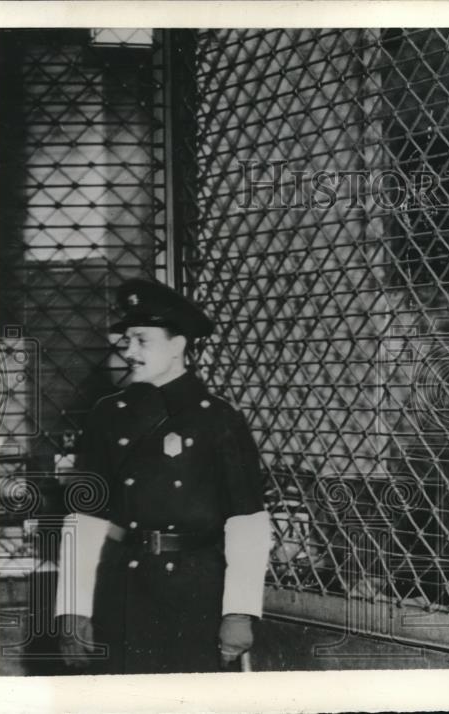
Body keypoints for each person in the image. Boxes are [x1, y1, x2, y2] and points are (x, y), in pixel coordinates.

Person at [54, 278, 272, 674]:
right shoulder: (108, 413)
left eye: (142, 340)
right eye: (127, 340)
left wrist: (239, 611)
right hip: (119, 586)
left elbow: (247, 520)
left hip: (194, 593)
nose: (129, 351)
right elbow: (86, 516)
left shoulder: (218, 419)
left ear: (178, 345)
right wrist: (73, 606)